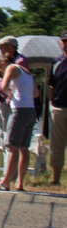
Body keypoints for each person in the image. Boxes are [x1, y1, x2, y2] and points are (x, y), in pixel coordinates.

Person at [0, 56, 36, 192]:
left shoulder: (11, 67)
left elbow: (3, 86)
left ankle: (5, 182)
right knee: (24, 148)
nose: (2, 73)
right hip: (31, 110)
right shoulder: (27, 73)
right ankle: (19, 183)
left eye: (0, 70)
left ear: (4, 63)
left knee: (12, 147)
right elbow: (36, 92)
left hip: (19, 111)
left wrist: (10, 95)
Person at [48, 31, 67, 186]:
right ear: (61, 42)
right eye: (65, 41)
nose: (66, 44)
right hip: (58, 108)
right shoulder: (56, 61)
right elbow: (51, 85)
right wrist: (51, 103)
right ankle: (55, 179)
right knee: (56, 145)